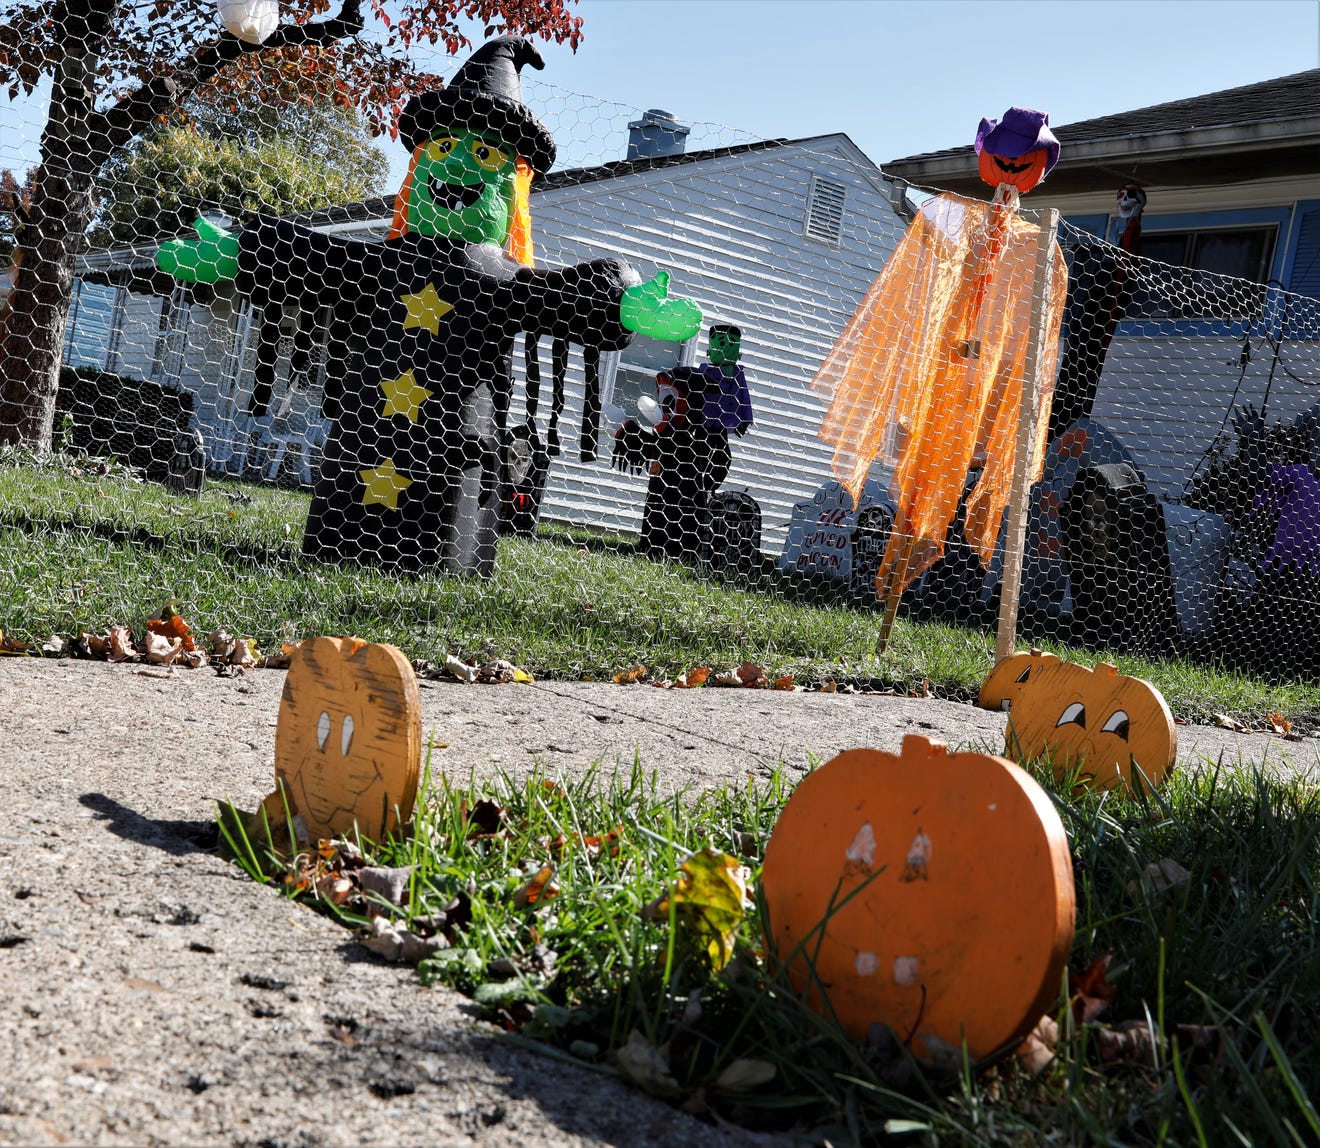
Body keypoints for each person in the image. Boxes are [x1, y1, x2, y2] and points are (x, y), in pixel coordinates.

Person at [157, 37, 700, 576]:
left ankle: (445, 568)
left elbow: (559, 297)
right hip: (362, 442)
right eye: (442, 149)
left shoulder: (501, 279)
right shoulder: (376, 265)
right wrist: (236, 252)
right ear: (417, 167)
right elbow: (311, 258)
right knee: (349, 507)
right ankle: (340, 550)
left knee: (446, 529)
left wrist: (624, 302)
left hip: (454, 455)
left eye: (483, 154)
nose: (458, 166)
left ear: (511, 187)